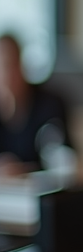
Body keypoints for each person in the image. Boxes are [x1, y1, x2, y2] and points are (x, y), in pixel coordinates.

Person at [0, 34, 73, 173]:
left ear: (22, 64)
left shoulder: (51, 104)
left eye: (11, 64)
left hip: (42, 190)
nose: (7, 74)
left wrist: (22, 170)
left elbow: (63, 160)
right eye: (2, 66)